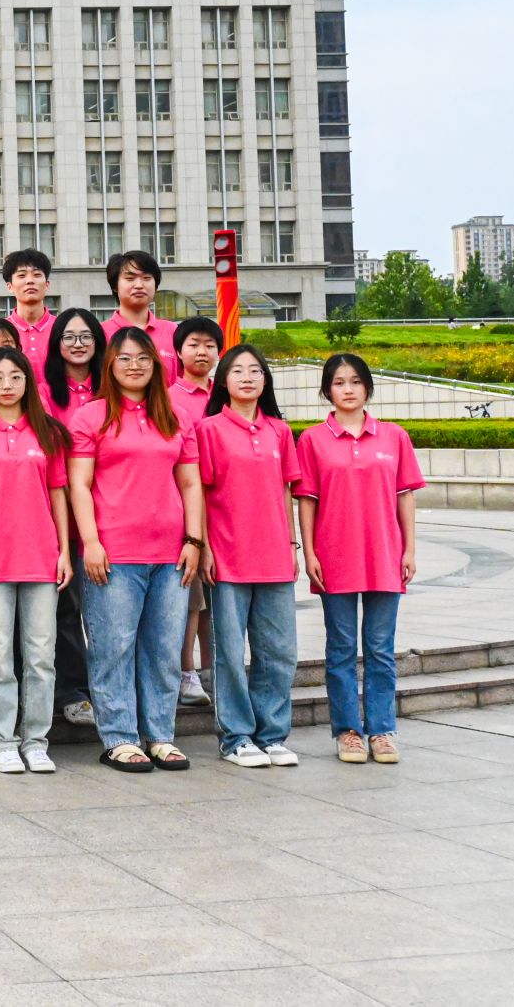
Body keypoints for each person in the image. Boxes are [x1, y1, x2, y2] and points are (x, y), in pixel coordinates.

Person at [67, 326, 204, 774]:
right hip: (114, 552)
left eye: (143, 358)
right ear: (110, 365)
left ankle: (160, 735)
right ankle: (121, 736)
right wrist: (90, 541)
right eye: (124, 358)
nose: (134, 366)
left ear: (157, 364)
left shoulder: (177, 417)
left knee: (164, 648)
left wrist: (194, 539)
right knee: (113, 647)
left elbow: (189, 483)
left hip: (170, 553)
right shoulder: (91, 417)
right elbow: (80, 485)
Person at [295, 353, 424, 765]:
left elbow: (405, 496)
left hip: (385, 554)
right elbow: (306, 502)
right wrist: (310, 550)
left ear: (368, 387)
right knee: (341, 648)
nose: (347, 389)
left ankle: (382, 730)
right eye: (338, 382)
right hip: (334, 556)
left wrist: (409, 548)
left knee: (382, 649)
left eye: (355, 381)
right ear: (326, 391)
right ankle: (349, 731)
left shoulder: (393, 437)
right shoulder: (312, 440)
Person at [0, 346, 70, 775]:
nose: (7, 385)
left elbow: (58, 493)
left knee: (41, 655)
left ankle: (36, 739)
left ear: (29, 382)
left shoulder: (49, 433)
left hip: (41, 556)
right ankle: (3, 739)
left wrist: (63, 551)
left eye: (15, 377)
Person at [198, 344, 302, 768]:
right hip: (227, 555)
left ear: (265, 380)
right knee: (229, 653)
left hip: (274, 554)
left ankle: (272, 733)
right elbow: (200, 493)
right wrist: (202, 546)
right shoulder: (208, 430)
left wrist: (292, 544)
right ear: (223, 381)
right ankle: (237, 736)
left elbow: (285, 491)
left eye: (255, 370)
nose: (246, 377)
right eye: (237, 371)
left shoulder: (279, 430)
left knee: (279, 650)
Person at [42, 306, 105, 730]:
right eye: (69, 336)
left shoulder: (112, 389)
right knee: (65, 607)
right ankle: (73, 691)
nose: (77, 343)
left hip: (107, 511)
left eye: (85, 336)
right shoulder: (44, 391)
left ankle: (109, 689)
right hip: (57, 510)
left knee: (104, 610)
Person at [171, 316, 225, 707]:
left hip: (228, 508)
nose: (201, 351)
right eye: (193, 344)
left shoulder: (227, 394)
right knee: (193, 600)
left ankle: (216, 672)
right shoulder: (168, 397)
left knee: (219, 602)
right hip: (187, 507)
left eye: (209, 344)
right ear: (178, 351)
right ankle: (186, 672)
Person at [103, 250, 179, 372]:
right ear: (115, 286)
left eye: (146, 278)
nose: (139, 285)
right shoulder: (101, 333)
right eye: (130, 278)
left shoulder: (173, 331)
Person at [1, 248, 57, 377]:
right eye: (21, 275)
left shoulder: (62, 328)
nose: (30, 281)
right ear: (10, 286)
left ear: (47, 284)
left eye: (37, 275)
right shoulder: (1, 331)